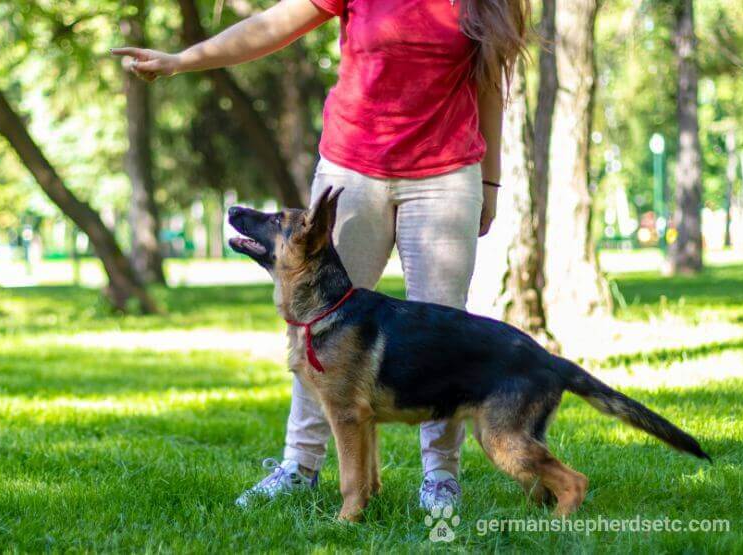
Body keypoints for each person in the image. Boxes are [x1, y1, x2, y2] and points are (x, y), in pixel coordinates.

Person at [113, 0, 529, 510]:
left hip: (445, 176)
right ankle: (300, 466)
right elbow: (271, 27)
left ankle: (440, 476)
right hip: (352, 173)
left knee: (443, 330)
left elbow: (489, 84)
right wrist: (182, 59)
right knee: (317, 326)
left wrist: (490, 181)